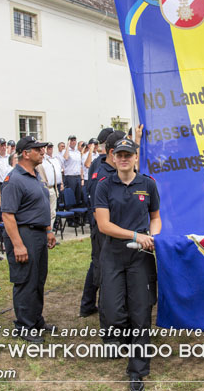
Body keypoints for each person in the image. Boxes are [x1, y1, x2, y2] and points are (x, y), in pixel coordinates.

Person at [95, 137, 161, 391]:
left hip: (140, 258)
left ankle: (137, 370)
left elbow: (155, 217)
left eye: (128, 155)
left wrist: (153, 236)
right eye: (119, 155)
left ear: (136, 157)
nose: (123, 159)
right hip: (112, 253)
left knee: (141, 312)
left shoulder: (148, 184)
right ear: (113, 157)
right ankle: (120, 340)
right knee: (112, 311)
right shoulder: (104, 185)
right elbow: (104, 225)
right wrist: (136, 235)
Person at [1, 135, 57, 343]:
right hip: (24, 234)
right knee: (25, 280)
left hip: (39, 234)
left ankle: (36, 319)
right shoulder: (13, 179)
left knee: (38, 279)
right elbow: (7, 215)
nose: (43, 151)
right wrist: (17, 244)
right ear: (25, 153)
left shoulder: (34, 175)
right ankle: (24, 325)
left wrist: (48, 230)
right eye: (38, 149)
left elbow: (40, 205)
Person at [78, 128, 118, 319]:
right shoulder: (102, 168)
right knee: (101, 266)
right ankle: (101, 307)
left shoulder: (97, 163)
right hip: (102, 225)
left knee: (97, 264)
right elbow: (97, 200)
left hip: (101, 223)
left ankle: (87, 304)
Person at [38, 143, 62, 229]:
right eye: (42, 148)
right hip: (44, 188)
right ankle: (45, 234)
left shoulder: (49, 160)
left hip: (52, 188)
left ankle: (50, 233)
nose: (43, 150)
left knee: (52, 213)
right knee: (45, 213)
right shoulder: (37, 162)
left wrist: (56, 188)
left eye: (44, 148)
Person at [62, 135, 83, 206]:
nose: (73, 142)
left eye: (74, 140)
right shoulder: (65, 151)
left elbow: (80, 165)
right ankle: (70, 215)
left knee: (78, 196)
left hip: (78, 176)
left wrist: (81, 178)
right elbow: (66, 157)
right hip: (70, 177)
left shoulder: (77, 152)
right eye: (71, 140)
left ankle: (77, 216)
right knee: (70, 198)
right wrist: (67, 146)